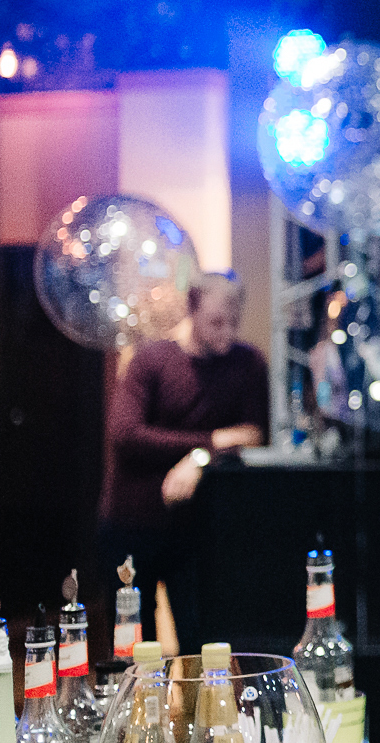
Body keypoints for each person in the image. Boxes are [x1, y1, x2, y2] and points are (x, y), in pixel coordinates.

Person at [101, 272, 269, 654]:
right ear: (192, 311)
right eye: (216, 322)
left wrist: (198, 458)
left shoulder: (247, 363)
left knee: (202, 648)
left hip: (197, 529)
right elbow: (125, 434)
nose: (227, 332)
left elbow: (252, 434)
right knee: (134, 653)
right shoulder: (152, 360)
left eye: (234, 322)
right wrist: (209, 442)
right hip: (132, 523)